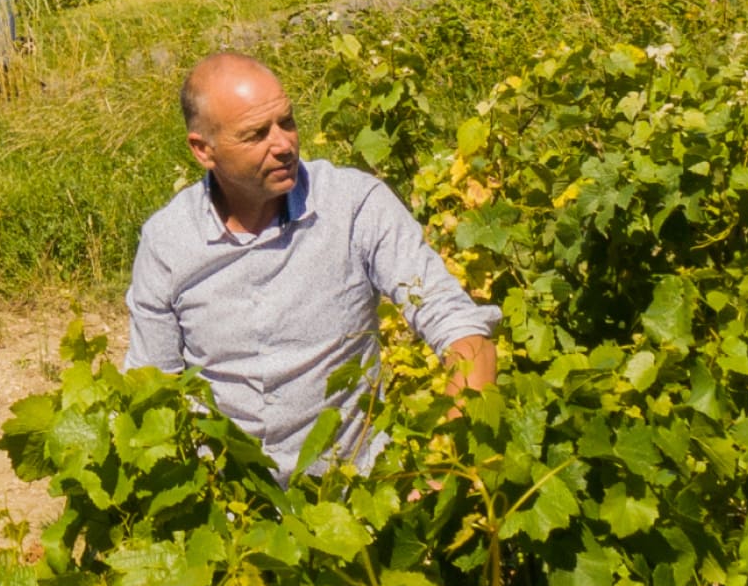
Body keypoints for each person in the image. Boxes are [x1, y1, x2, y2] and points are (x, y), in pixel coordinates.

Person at [126, 51, 498, 479]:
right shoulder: (169, 241)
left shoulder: (354, 206)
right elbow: (153, 386)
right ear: (203, 150)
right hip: (227, 510)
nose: (283, 144)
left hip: (353, 501)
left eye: (287, 121)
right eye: (256, 134)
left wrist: (445, 468)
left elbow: (463, 331)